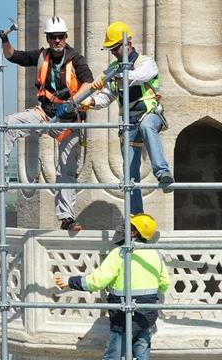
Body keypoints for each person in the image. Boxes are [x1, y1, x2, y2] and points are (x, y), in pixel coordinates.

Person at [0, 16, 93, 234]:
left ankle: (66, 217)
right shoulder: (42, 55)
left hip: (69, 120)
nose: (57, 40)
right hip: (44, 113)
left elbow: (88, 83)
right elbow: (13, 56)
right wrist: (4, 41)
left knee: (67, 169)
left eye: (60, 37)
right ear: (48, 39)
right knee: (9, 123)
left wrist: (72, 103)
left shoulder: (77, 59)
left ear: (65, 37)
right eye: (53, 37)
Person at [54, 213, 169, 360]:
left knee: (112, 359)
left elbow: (97, 281)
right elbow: (165, 283)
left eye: (128, 226)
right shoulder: (155, 254)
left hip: (123, 317)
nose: (123, 228)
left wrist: (71, 281)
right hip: (146, 317)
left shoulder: (121, 253)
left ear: (134, 232)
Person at [71, 21, 172, 215]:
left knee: (147, 127)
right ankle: (136, 217)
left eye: (115, 48)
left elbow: (138, 76)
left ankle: (162, 172)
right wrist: (90, 102)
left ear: (128, 44)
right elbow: (107, 96)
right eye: (111, 49)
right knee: (130, 175)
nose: (113, 52)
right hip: (129, 124)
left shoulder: (145, 62)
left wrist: (113, 75)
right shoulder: (113, 68)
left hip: (150, 115)